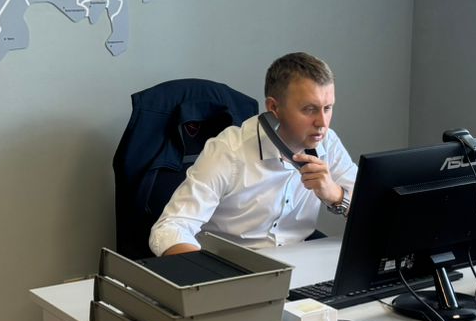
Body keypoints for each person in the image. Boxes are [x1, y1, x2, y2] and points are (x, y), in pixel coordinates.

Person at [149, 52, 358, 257]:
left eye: (328, 108)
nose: (322, 123)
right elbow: (169, 228)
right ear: (274, 107)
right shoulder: (229, 151)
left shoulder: (328, 142)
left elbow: (373, 212)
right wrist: (207, 272)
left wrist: (335, 195)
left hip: (300, 261)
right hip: (233, 266)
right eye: (309, 109)